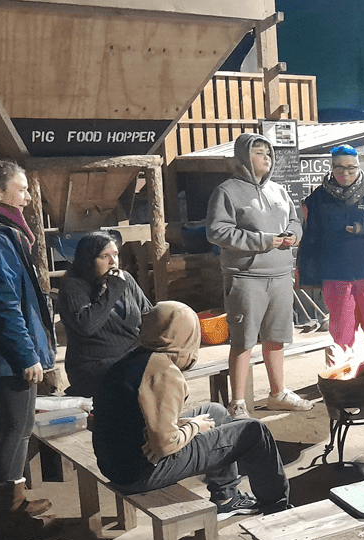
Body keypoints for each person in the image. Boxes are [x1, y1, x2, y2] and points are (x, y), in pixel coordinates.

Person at [93, 301, 290, 517]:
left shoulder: (134, 358)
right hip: (140, 472)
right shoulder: (163, 371)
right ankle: (278, 509)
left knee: (216, 412)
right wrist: (194, 427)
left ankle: (226, 496)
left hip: (118, 461)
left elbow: (137, 417)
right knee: (253, 432)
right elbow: (165, 445)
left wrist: (179, 426)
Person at [0, 159, 60, 540]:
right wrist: (27, 355)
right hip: (9, 352)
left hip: (1, 349)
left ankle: (0, 501)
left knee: (6, 425)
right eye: (21, 189)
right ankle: (9, 513)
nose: (26, 198)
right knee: (17, 429)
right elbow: (2, 302)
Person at [206, 133, 313, 418]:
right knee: (243, 340)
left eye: (268, 152)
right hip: (246, 277)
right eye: (258, 152)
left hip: (280, 275)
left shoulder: (279, 191)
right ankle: (238, 402)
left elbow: (294, 221)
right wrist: (264, 240)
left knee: (276, 337)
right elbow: (218, 231)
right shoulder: (227, 191)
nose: (266, 156)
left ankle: (278, 392)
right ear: (243, 158)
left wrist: (294, 235)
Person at [299, 145, 364, 364]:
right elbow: (310, 236)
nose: (345, 174)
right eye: (339, 168)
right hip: (335, 276)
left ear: (358, 167)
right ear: (331, 167)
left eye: (351, 168)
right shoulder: (318, 197)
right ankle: (344, 375)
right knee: (341, 332)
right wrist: (307, 274)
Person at [57, 231, 152, 399]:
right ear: (88, 260)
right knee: (143, 376)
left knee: (163, 369)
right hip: (90, 367)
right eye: (104, 256)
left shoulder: (126, 280)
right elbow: (87, 325)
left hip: (129, 359)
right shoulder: (73, 286)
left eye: (115, 255)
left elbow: (148, 314)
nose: (112, 262)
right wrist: (112, 291)